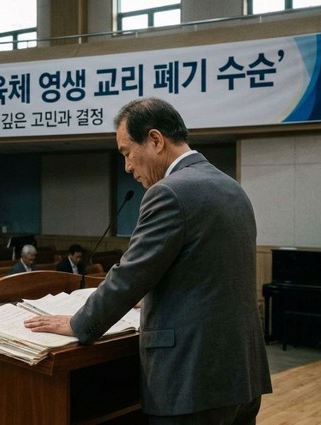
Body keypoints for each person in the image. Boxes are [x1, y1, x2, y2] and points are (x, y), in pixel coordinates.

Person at [25, 97, 272, 424]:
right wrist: (159, 295)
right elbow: (209, 274)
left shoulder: (168, 192)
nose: (127, 167)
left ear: (155, 140)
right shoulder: (231, 187)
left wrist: (78, 323)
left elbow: (128, 276)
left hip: (192, 382)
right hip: (242, 375)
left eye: (127, 152)